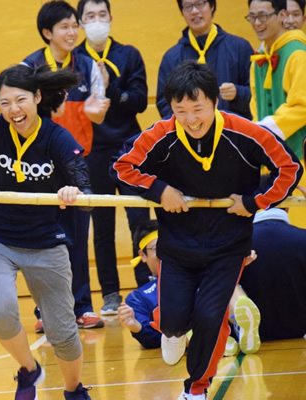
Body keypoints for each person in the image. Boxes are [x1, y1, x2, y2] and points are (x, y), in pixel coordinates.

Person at [111, 60, 302, 400]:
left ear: (215, 102)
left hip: (229, 246)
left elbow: (289, 168)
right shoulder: (161, 135)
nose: (190, 119)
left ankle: (196, 390)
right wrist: (159, 190)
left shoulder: (249, 133)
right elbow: (123, 167)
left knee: (211, 316)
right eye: (180, 110)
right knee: (172, 321)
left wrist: (255, 201)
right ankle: (170, 327)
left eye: (198, 108)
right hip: (177, 246)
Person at [0, 64, 92, 400]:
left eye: (20, 100)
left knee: (63, 332)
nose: (13, 110)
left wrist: (75, 193)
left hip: (46, 244)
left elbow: (86, 191)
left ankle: (73, 390)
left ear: (37, 98)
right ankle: (29, 369)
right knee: (1, 311)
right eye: (5, 102)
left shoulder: (56, 137)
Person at [23, 0, 109, 331]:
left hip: (78, 163)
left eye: (75, 25)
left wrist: (92, 111)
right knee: (44, 238)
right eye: (65, 26)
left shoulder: (88, 66)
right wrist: (48, 114)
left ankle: (82, 306)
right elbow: (20, 112)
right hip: (39, 165)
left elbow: (99, 113)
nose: (73, 31)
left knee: (76, 236)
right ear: (48, 33)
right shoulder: (29, 68)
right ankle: (45, 310)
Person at [74, 0, 151, 314]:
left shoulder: (128, 54)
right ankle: (109, 294)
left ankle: (146, 284)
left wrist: (111, 87)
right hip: (94, 153)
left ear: (110, 19)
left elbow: (139, 101)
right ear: (80, 22)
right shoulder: (75, 59)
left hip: (130, 148)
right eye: (89, 16)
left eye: (101, 15)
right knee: (102, 226)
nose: (96, 21)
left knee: (140, 221)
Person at [118, 220, 261, 359]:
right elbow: (153, 340)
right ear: (142, 255)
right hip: (185, 330)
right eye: (157, 248)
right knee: (176, 326)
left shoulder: (200, 270)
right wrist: (135, 326)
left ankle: (242, 330)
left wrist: (235, 264)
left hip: (220, 318)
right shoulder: (138, 297)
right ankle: (212, 343)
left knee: (225, 280)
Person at [157, 0, 254, 120]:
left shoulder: (240, 48)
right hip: (189, 133)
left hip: (232, 132)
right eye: (188, 6)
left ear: (212, 6)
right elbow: (164, 102)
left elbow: (257, 94)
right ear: (182, 12)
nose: (194, 11)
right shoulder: (171, 57)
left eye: (200, 4)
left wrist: (238, 93)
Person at [247, 0, 306, 160]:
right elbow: (255, 102)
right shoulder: (258, 56)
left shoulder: (298, 54)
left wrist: (267, 128)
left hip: (298, 157)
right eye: (252, 17)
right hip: (268, 156)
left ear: (282, 15)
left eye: (263, 16)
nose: (257, 23)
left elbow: (302, 106)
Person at [239, 207, 306, 341]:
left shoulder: (234, 242)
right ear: (288, 206)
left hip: (245, 345)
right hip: (297, 340)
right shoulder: (302, 239)